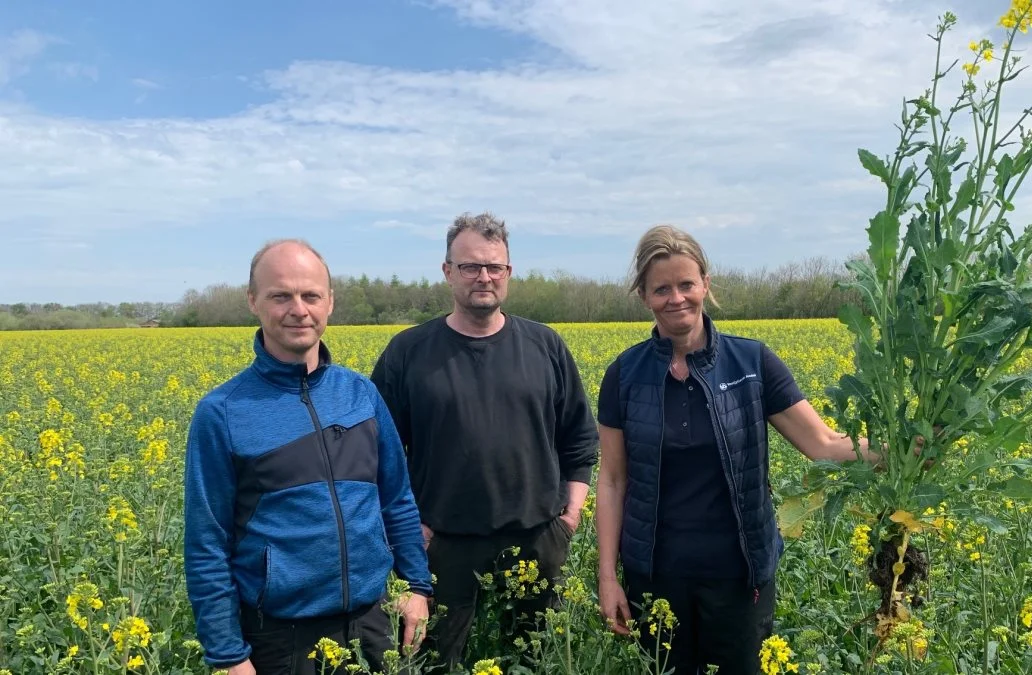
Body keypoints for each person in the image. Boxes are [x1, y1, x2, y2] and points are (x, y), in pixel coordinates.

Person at [594, 225, 877, 675]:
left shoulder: (752, 362)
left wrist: (903, 449)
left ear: (706, 283)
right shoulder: (624, 375)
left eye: (686, 284)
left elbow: (822, 444)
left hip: (741, 575)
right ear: (644, 296)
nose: (676, 298)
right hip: (655, 575)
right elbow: (612, 481)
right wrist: (607, 578)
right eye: (661, 289)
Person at [184, 239, 433, 675]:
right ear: (252, 302)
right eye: (281, 295)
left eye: (310, 295)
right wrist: (227, 654)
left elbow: (397, 499)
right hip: (280, 639)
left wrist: (417, 586)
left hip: (373, 625)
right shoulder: (222, 412)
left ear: (330, 303)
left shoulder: (361, 395)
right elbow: (207, 544)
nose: (298, 309)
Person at [370, 212, 599, 670]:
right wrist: (405, 534)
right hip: (440, 543)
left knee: (534, 662)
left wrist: (570, 516)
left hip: (537, 539)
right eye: (471, 266)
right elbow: (377, 455)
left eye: (495, 267)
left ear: (509, 273)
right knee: (432, 661)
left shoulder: (545, 346)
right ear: (447, 271)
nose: (484, 277)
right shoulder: (409, 351)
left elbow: (578, 438)